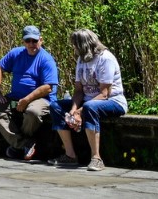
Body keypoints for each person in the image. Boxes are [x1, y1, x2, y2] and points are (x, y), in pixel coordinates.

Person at [51, 28, 127, 172]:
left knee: (90, 106)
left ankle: (96, 158)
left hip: (113, 101)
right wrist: (73, 111)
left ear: (84, 45)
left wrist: (81, 110)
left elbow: (104, 93)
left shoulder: (106, 58)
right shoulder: (81, 59)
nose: (73, 48)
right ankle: (70, 155)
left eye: (75, 45)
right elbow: (79, 91)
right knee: (56, 106)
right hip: (88, 102)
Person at [0, 24, 58, 162]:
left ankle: (17, 147)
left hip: (41, 98)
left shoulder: (46, 59)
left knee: (33, 112)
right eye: (28, 41)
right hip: (16, 97)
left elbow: (48, 87)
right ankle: (24, 144)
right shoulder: (16, 53)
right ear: (23, 42)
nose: (31, 44)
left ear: (41, 40)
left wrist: (27, 100)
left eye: (34, 41)